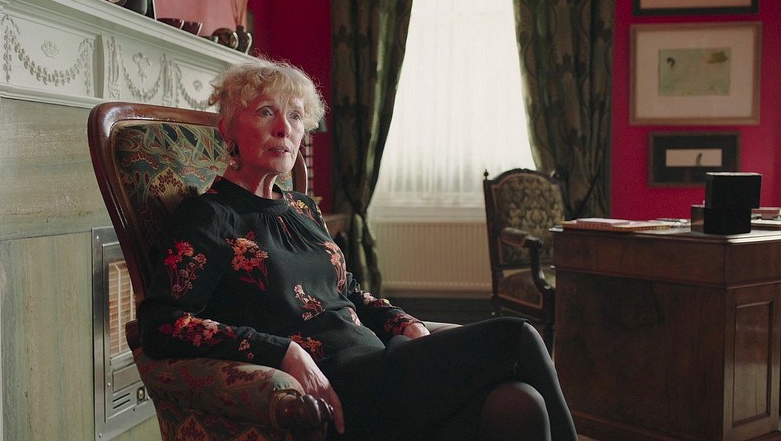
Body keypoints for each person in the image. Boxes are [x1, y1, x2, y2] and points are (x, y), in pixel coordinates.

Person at [138, 57, 578, 441]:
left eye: (295, 116)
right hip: (340, 386)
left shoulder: (302, 208)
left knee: (519, 403)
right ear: (229, 128)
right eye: (266, 112)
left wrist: (404, 323)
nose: (284, 129)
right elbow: (163, 324)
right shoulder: (209, 217)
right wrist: (283, 352)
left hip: (383, 364)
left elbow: (348, 292)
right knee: (518, 336)